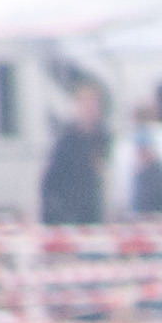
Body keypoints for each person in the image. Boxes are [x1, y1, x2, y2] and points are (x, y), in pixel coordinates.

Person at [38, 79, 109, 227]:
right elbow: (50, 184)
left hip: (95, 215)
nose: (89, 108)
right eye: (85, 103)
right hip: (70, 217)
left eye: (93, 103)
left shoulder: (103, 138)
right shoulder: (66, 142)